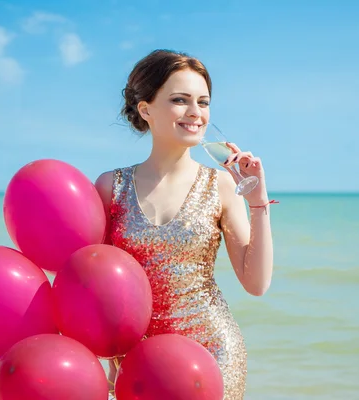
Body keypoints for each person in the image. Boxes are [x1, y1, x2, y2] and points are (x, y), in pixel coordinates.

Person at [94, 49, 275, 400]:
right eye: (180, 100)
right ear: (146, 109)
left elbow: (256, 283)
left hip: (212, 354)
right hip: (139, 359)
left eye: (203, 102)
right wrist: (109, 354)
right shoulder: (109, 187)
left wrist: (257, 199)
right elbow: (98, 284)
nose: (196, 113)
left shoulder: (220, 184)